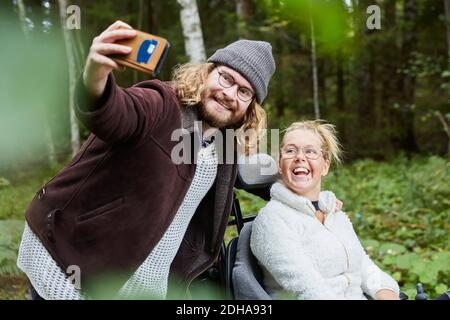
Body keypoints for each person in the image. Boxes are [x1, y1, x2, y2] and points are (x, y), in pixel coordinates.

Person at [16, 20, 276, 300]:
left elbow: (248, 173)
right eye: (226, 78)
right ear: (208, 72)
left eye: (244, 92)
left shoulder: (224, 145)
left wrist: (308, 195)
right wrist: (95, 76)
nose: (229, 94)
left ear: (251, 106)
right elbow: (114, 113)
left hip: (145, 282)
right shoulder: (161, 105)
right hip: (73, 261)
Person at [250, 120, 400, 300]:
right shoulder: (272, 219)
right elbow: (309, 289)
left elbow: (362, 265)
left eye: (310, 151)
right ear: (280, 164)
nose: (300, 157)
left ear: (325, 166)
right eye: (290, 151)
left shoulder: (334, 214)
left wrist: (386, 292)